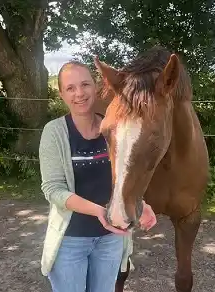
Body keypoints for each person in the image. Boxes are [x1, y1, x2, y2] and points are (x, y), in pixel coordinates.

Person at [38, 60, 157, 292]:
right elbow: (53, 189)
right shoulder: (54, 132)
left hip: (111, 239)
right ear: (61, 94)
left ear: (96, 88)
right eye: (70, 88)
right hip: (70, 241)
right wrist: (99, 212)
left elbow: (122, 178)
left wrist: (141, 205)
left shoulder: (114, 129)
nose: (79, 93)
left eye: (85, 84)